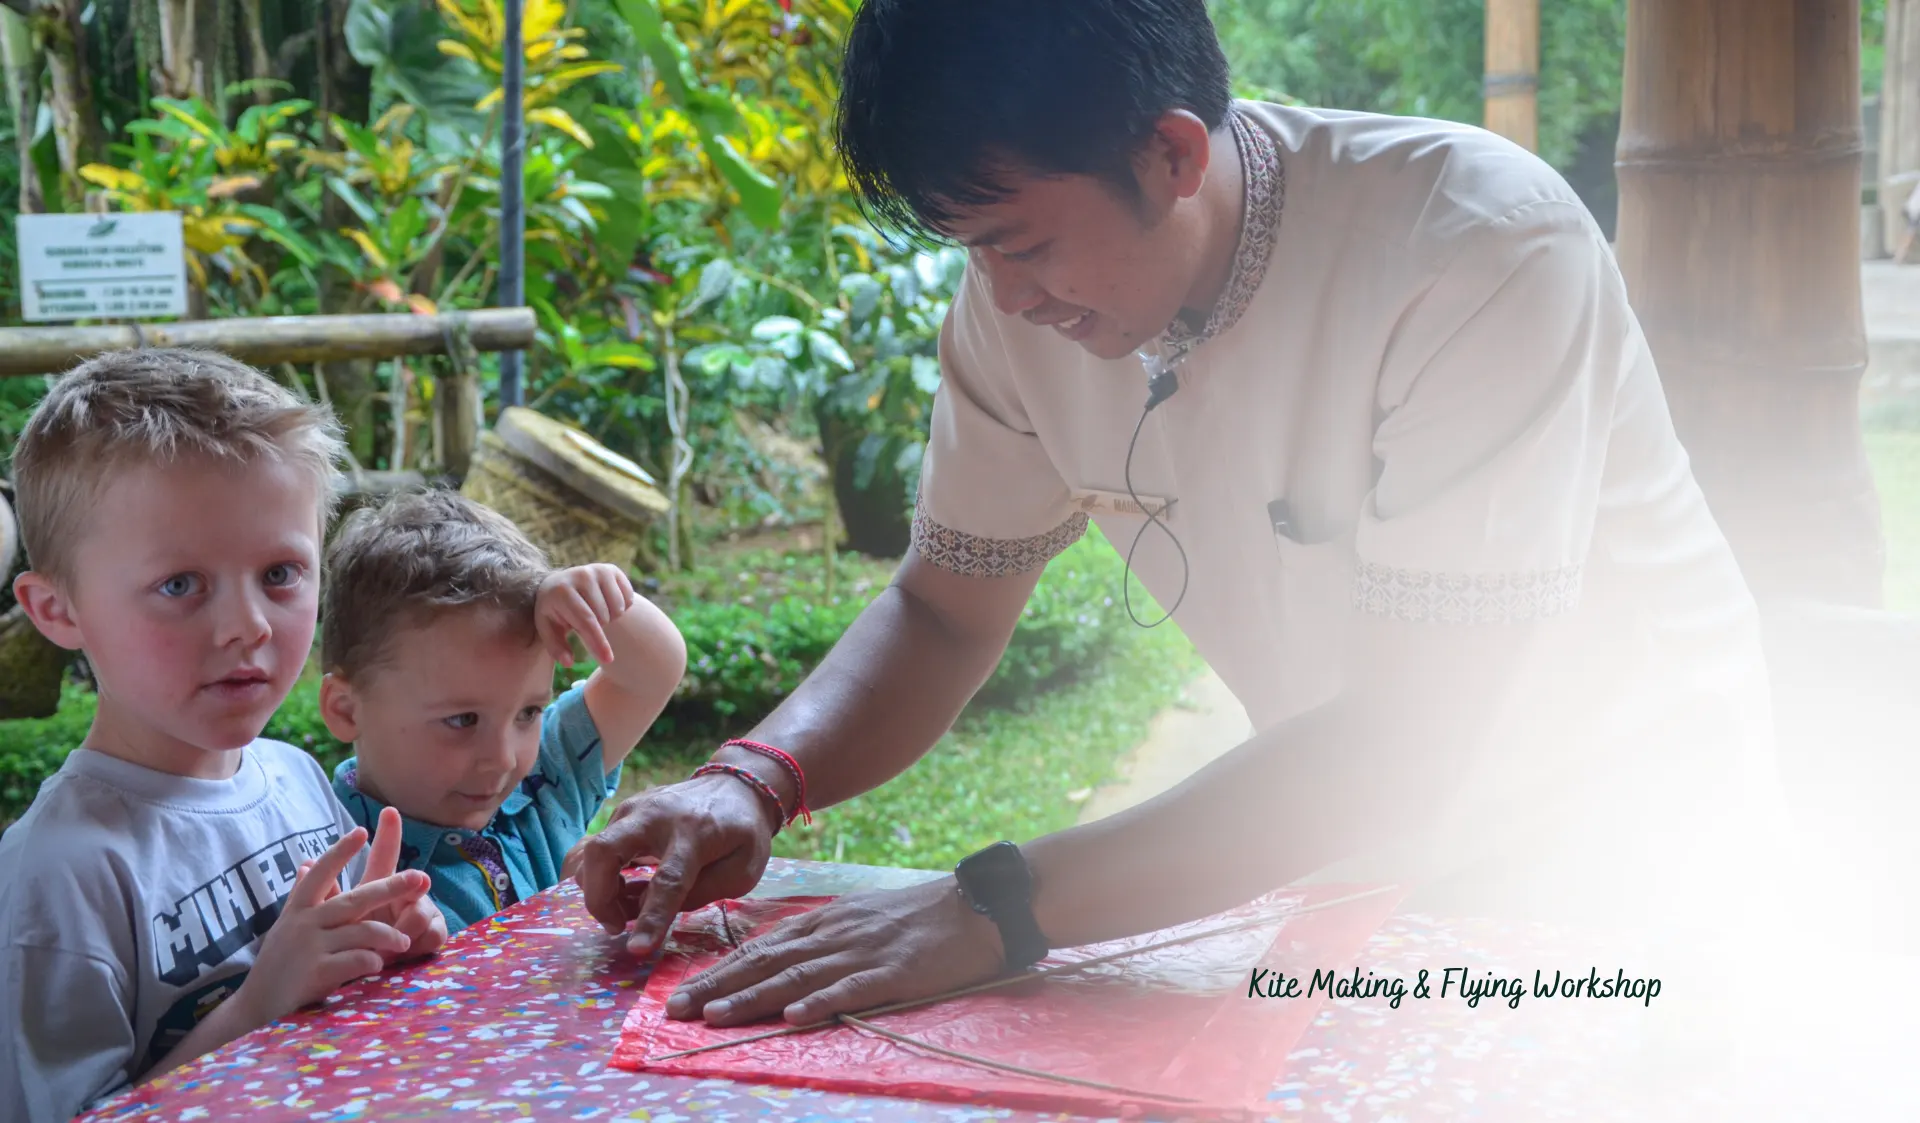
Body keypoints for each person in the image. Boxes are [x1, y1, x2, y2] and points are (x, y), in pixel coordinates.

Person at [575, 0, 1788, 1031]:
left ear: (1169, 153)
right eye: (972, 248)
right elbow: (946, 609)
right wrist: (755, 778)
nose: (1001, 294)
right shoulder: (1016, 305)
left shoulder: (1479, 251)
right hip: (1350, 858)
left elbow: (1411, 737)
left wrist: (993, 904)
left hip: (1629, 872)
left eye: (1021, 242)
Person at [0, 349, 447, 1123]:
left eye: (280, 573)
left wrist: (386, 943)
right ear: (57, 610)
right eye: (180, 584)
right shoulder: (60, 876)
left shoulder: (294, 775)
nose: (248, 626)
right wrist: (257, 1006)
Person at [318, 489, 687, 934]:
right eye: (463, 720)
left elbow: (653, 672)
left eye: (528, 713)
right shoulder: (331, 863)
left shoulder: (543, 784)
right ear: (347, 710)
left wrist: (582, 596)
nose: (504, 758)